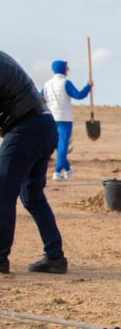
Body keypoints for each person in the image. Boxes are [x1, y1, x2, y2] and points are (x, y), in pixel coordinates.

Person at [0, 51, 68, 275]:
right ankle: (55, 257)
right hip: (44, 124)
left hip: (25, 129)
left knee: (3, 194)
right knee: (32, 196)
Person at [41, 60, 92, 181]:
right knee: (63, 146)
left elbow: (40, 99)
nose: (68, 70)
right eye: (67, 68)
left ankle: (68, 169)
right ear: (63, 69)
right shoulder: (65, 83)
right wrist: (88, 86)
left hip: (51, 118)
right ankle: (57, 172)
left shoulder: (47, 84)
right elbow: (78, 95)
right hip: (64, 119)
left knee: (57, 145)